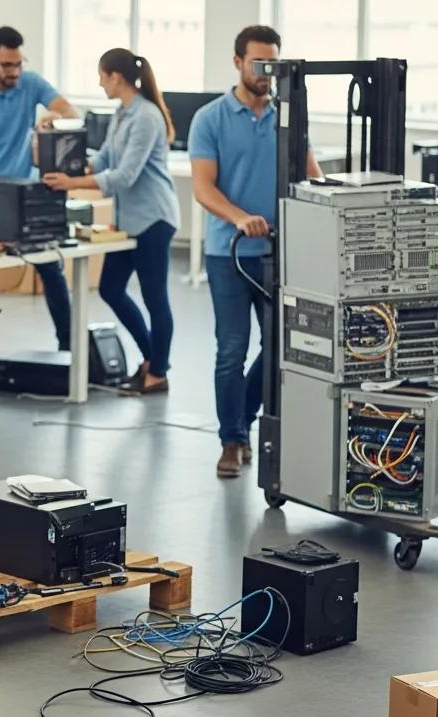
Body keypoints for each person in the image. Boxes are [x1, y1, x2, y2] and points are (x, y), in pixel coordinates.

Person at [189, 25, 321, 478]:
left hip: (277, 254)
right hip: (229, 253)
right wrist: (239, 217)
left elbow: (312, 176)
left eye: (273, 65)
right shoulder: (210, 118)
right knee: (231, 349)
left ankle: (242, 425)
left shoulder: (289, 117)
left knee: (277, 348)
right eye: (258, 64)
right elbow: (203, 188)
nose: (266, 74)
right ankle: (231, 441)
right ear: (238, 62)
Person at [44, 48, 179, 394]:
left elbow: (124, 175)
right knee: (111, 289)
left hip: (153, 219)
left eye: (101, 76)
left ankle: (158, 371)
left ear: (115, 77)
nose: (99, 82)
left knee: (155, 299)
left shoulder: (146, 117)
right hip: (129, 221)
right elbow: (102, 159)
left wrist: (72, 184)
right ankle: (152, 358)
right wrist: (66, 162)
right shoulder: (122, 113)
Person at [0, 25, 80, 361]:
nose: (15, 71)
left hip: (28, 190)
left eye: (19, 63)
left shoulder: (30, 82)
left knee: (52, 268)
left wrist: (53, 117)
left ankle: (70, 346)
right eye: (7, 65)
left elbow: (71, 112)